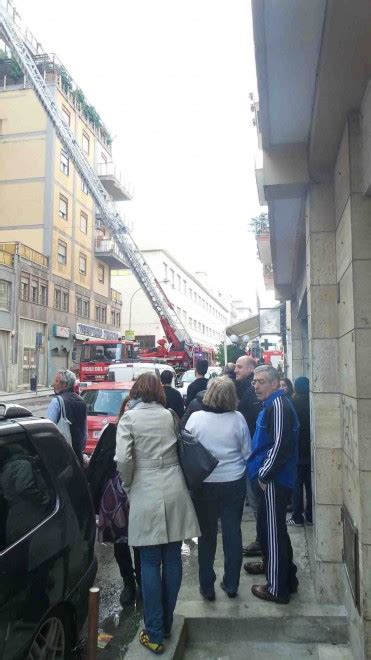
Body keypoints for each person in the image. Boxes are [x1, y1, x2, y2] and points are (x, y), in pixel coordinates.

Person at [115, 373, 200, 654]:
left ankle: (153, 632)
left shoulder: (129, 419)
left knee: (149, 560)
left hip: (146, 489)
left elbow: (124, 459)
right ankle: (164, 623)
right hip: (174, 487)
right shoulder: (169, 415)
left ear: (136, 390)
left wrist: (128, 485)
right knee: (172, 557)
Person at [186, 377, 250, 600]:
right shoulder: (238, 419)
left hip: (204, 484)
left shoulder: (195, 418)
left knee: (206, 536)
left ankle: (207, 586)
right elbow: (247, 452)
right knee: (233, 533)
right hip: (233, 482)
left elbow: (188, 449)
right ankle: (231, 584)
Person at [246, 365, 299, 604]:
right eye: (254, 381)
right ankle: (287, 577)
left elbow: (281, 446)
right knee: (274, 530)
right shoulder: (273, 405)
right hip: (272, 479)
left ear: (275, 383)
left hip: (275, 481)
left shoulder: (278, 406)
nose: (256, 386)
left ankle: (277, 588)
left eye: (261, 381)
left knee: (274, 533)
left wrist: (264, 475)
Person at [87, 396, 141, 606]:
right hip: (115, 497)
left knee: (139, 541)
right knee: (120, 543)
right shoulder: (110, 431)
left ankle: (142, 582)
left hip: (137, 493)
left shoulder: (141, 431)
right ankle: (128, 582)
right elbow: (97, 463)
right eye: (126, 408)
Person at [234, 356, 261, 558]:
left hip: (253, 456)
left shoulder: (251, 391)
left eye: (239, 366)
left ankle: (263, 543)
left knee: (258, 502)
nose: (236, 370)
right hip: (251, 454)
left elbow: (250, 423)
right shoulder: (246, 388)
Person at [47, 369, 87, 464]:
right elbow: (85, 432)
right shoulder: (82, 401)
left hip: (61, 455)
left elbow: (48, 429)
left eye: (56, 381)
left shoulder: (57, 401)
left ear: (64, 385)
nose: (53, 384)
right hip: (77, 455)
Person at [288, 377, 312, 526]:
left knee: (297, 485)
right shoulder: (312, 402)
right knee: (310, 486)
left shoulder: (292, 403)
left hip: (297, 450)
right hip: (310, 449)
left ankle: (297, 516)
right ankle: (310, 515)